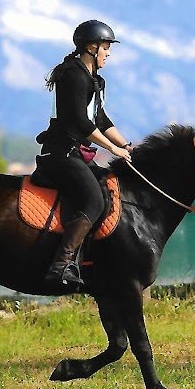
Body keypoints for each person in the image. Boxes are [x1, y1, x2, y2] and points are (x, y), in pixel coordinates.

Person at [35, 19, 134, 290]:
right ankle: (61, 266)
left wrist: (125, 146)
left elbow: (99, 119)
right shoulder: (72, 75)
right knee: (93, 201)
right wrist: (111, 149)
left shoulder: (94, 80)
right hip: (61, 155)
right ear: (92, 47)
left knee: (108, 192)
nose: (109, 53)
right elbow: (80, 122)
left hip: (77, 156)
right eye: (106, 47)